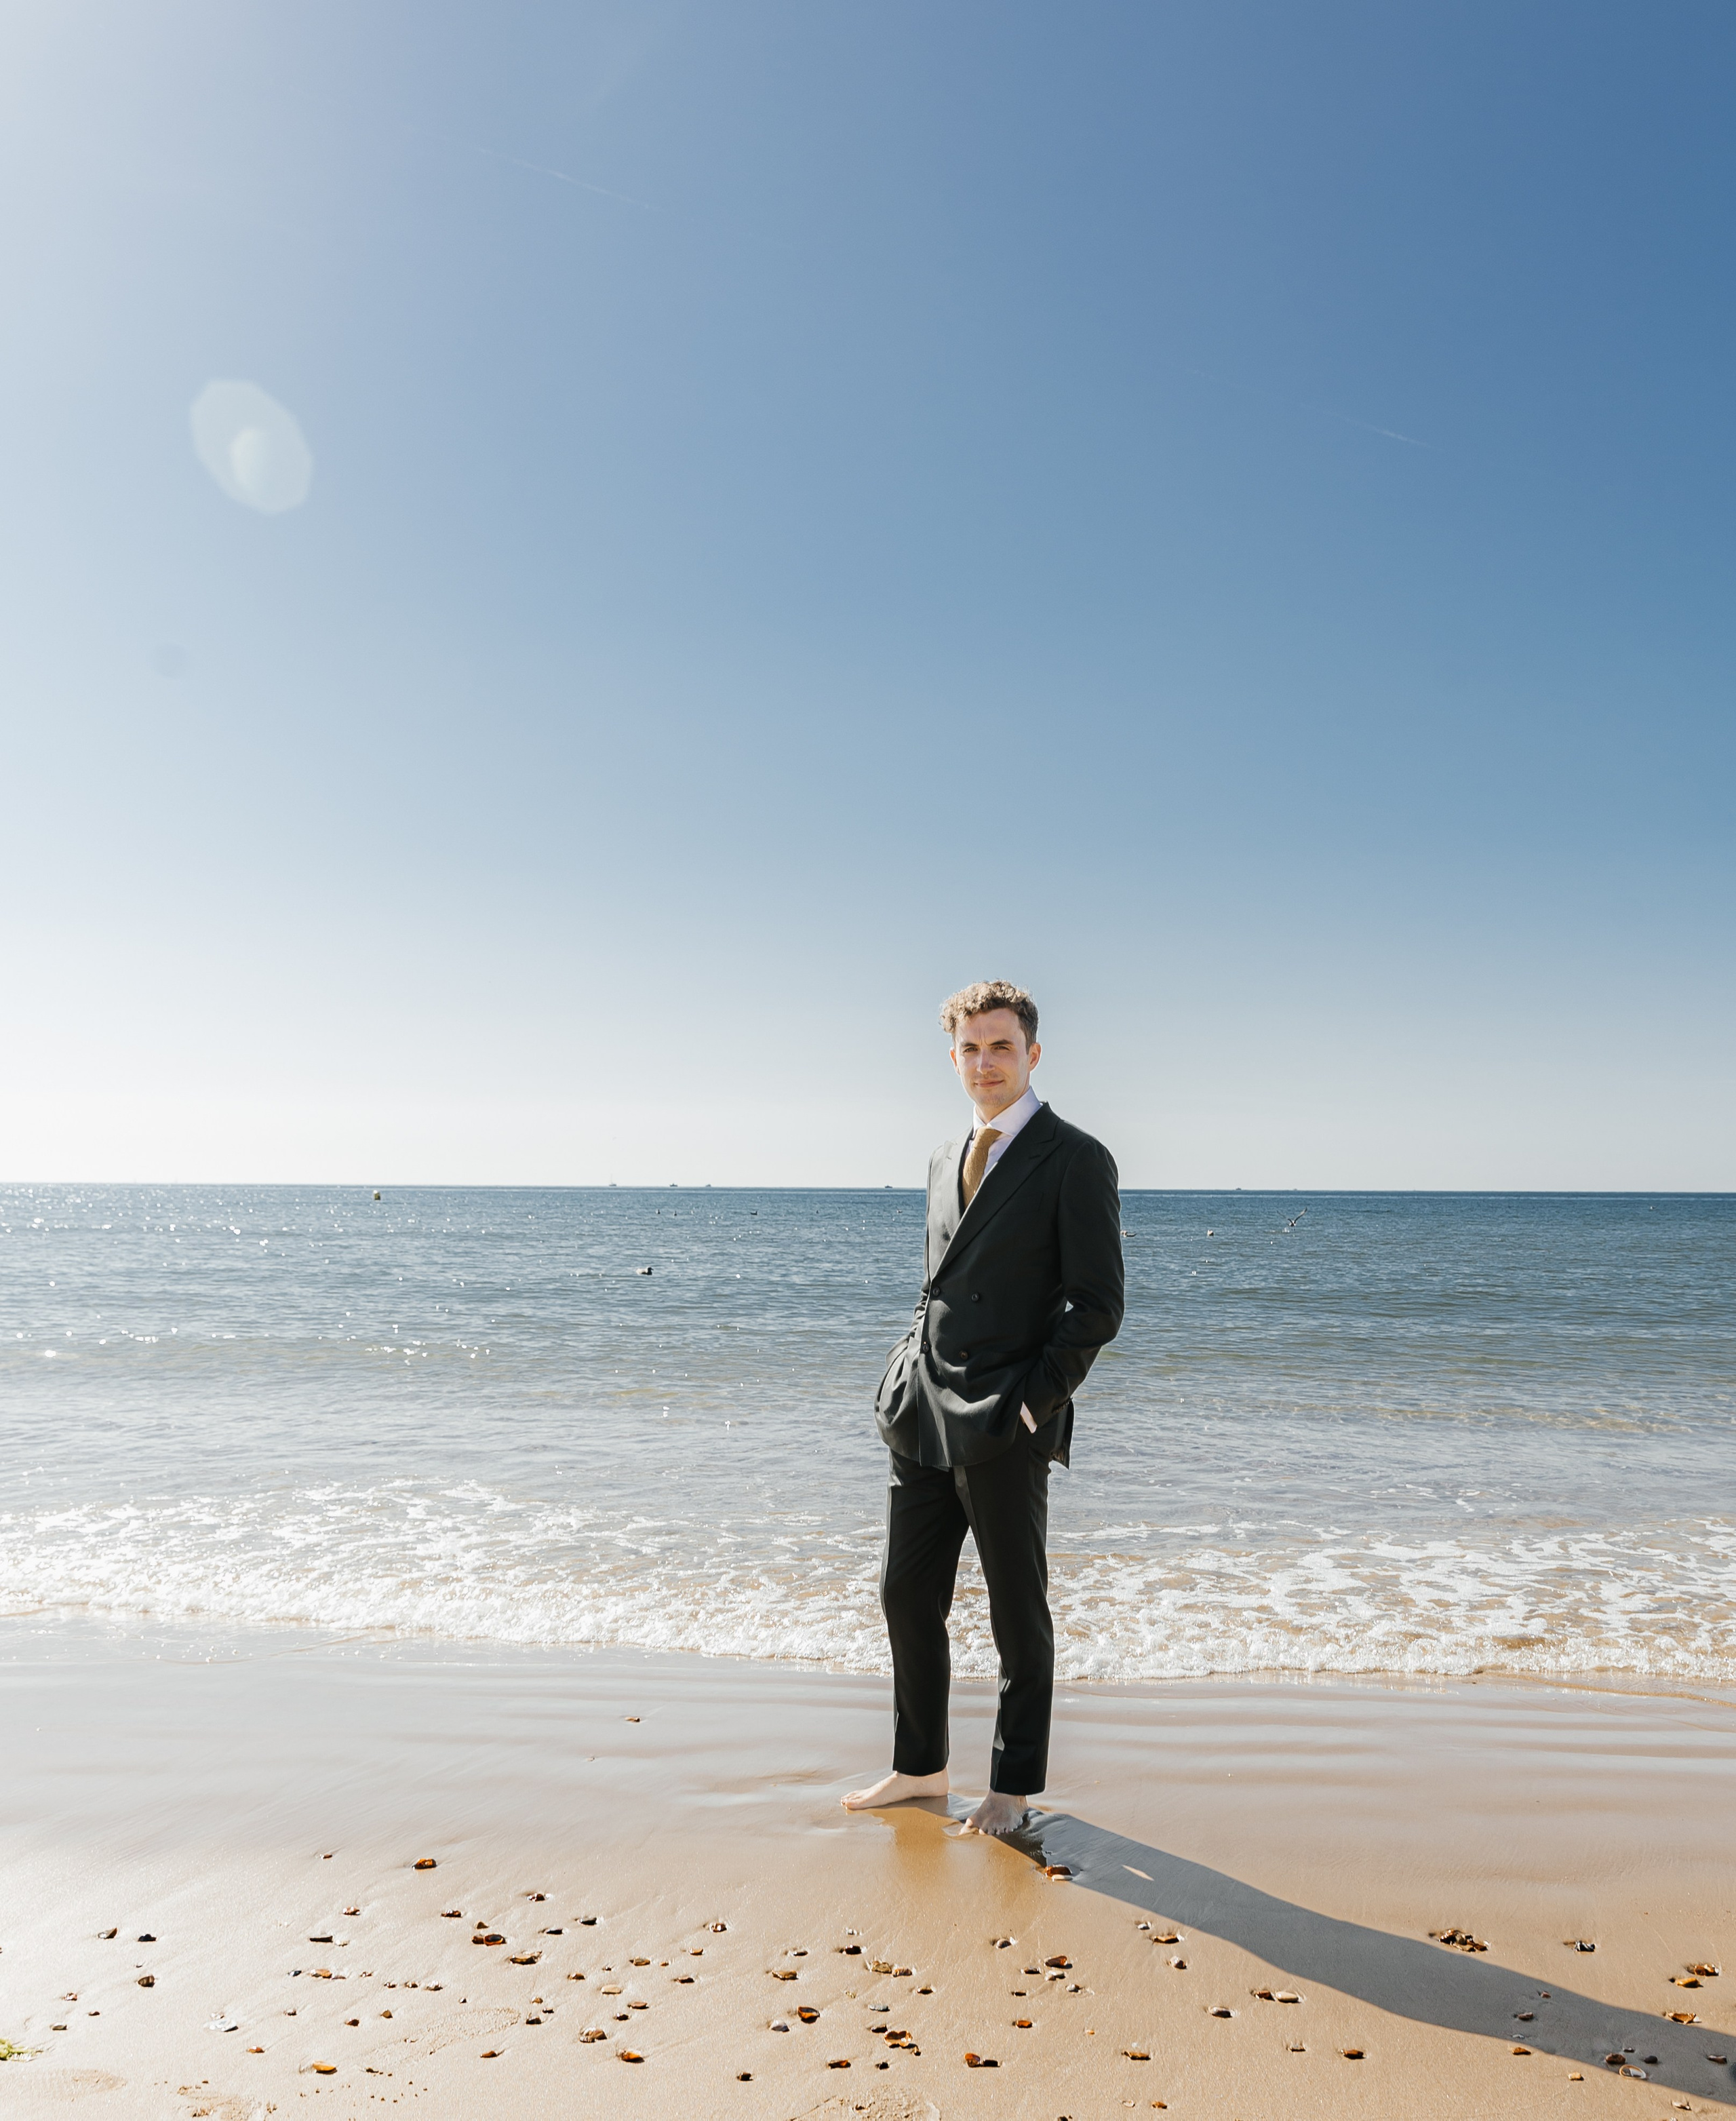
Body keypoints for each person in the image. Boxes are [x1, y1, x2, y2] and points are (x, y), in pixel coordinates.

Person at [842, 980, 1124, 1835]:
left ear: (1032, 1053)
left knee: (1015, 1608)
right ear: (953, 1058)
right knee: (905, 1593)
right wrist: (903, 1367)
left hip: (1005, 1419)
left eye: (1001, 1046)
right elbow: (939, 1285)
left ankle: (1011, 1786)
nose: (985, 1062)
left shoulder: (1075, 1157)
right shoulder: (941, 1156)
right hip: (921, 1409)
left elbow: (1096, 1306)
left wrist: (1031, 1411)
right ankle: (920, 1765)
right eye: (970, 1048)